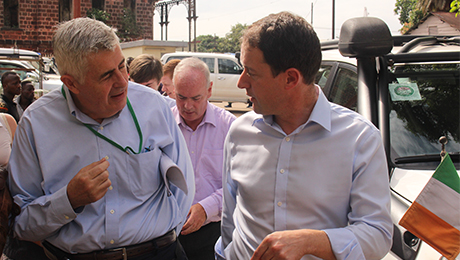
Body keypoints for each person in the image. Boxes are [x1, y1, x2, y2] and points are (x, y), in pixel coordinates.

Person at [7, 17, 194, 260]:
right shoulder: (36, 123)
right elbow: (22, 224)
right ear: (71, 83)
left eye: (122, 66)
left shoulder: (153, 106)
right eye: (106, 75)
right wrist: (69, 200)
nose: (122, 81)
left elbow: (184, 187)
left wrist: (166, 241)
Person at [216, 11, 392, 260]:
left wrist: (312, 242)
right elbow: (230, 218)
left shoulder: (360, 139)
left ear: (290, 78)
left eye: (251, 73)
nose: (241, 82)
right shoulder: (239, 132)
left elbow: (378, 234)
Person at [171, 58, 236, 260]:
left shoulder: (230, 127)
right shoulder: (163, 124)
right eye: (181, 97)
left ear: (209, 90)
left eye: (196, 98)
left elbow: (238, 184)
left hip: (212, 233)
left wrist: (206, 208)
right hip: (167, 233)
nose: (187, 106)